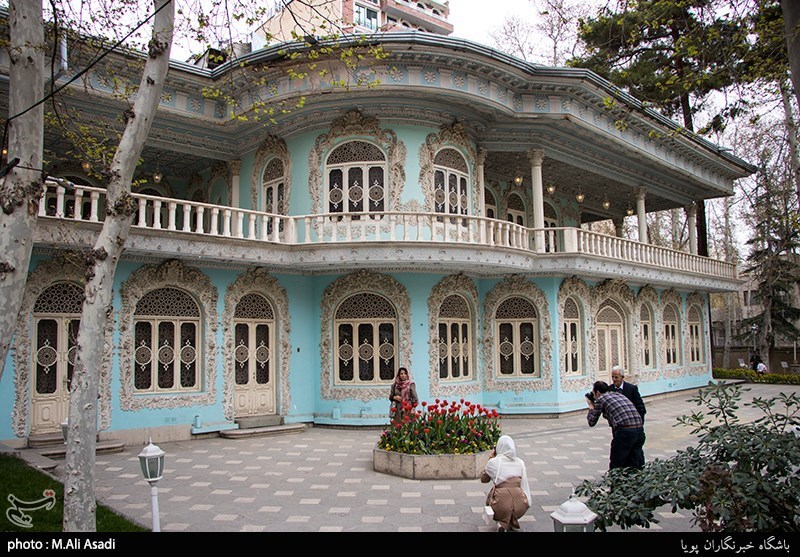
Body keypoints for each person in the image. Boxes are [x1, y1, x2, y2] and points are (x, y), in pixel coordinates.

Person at [586, 380, 645, 470]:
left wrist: (591, 405)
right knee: (635, 461)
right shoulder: (618, 395)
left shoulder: (601, 399)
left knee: (617, 462)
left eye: (593, 393)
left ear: (597, 392)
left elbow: (591, 422)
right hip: (639, 430)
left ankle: (615, 482)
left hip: (625, 432)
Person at [480, 435, 532, 532]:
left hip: (500, 503)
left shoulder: (494, 462)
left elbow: (484, 479)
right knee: (511, 503)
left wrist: (490, 459)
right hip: (521, 505)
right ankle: (508, 522)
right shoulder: (520, 462)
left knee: (496, 498)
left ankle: (502, 522)